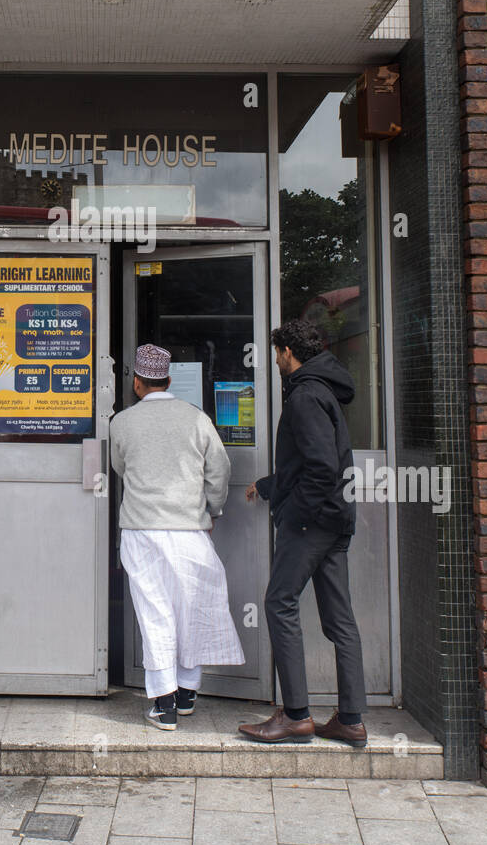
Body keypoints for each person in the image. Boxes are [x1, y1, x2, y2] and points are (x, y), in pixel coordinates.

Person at [239, 319, 368, 748]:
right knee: (340, 620)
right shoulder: (323, 389)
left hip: (312, 523)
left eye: (277, 353)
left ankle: (295, 716)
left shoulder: (305, 396)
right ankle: (350, 721)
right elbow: (310, 465)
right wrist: (272, 486)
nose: (275, 360)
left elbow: (321, 468)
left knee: (279, 603)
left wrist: (294, 515)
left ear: (288, 353)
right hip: (334, 520)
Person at [110, 343, 245, 730]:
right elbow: (219, 469)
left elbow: (120, 466)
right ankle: (187, 693)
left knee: (156, 613)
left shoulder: (121, 423)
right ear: (170, 380)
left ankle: (163, 703)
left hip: (141, 530)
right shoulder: (196, 418)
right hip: (189, 530)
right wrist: (212, 509)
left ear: (137, 383)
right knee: (192, 610)